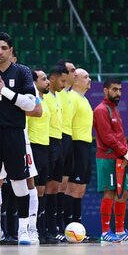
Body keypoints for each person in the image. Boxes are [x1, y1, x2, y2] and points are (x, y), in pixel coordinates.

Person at [0, 32, 37, 246]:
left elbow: (31, 105)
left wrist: (4, 90)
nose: (0, 52)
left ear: (11, 50)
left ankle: (23, 230)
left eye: (4, 48)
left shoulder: (22, 71)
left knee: (19, 182)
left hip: (15, 133)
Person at [93, 78, 128, 242]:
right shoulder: (101, 110)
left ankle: (120, 231)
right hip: (107, 158)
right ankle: (105, 232)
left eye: (120, 90)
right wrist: (124, 152)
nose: (118, 93)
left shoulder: (115, 110)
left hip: (119, 158)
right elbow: (107, 137)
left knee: (123, 193)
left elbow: (120, 136)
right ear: (105, 90)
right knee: (110, 192)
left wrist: (124, 153)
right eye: (114, 89)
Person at [65, 68, 93, 227]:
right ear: (75, 80)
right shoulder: (72, 98)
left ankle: (77, 226)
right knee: (72, 187)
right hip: (75, 145)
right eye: (86, 77)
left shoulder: (84, 99)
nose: (89, 79)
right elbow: (66, 123)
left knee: (81, 188)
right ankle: (69, 225)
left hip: (85, 145)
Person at [42, 65, 67, 243]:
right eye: (62, 81)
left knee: (55, 187)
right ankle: (44, 228)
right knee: (44, 187)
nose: (64, 84)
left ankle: (53, 228)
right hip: (48, 142)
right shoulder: (44, 97)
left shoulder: (58, 97)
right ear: (52, 79)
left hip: (58, 142)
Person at [26, 70, 51, 243]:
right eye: (44, 79)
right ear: (34, 82)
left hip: (44, 147)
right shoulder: (31, 100)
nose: (47, 81)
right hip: (33, 146)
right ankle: (28, 228)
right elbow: (26, 124)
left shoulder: (44, 100)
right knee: (31, 189)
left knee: (41, 190)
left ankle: (40, 229)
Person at [55, 59, 76, 239]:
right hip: (59, 137)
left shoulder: (70, 94)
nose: (74, 73)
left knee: (65, 184)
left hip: (69, 138)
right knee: (56, 184)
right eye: (71, 70)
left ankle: (62, 224)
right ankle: (53, 225)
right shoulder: (58, 93)